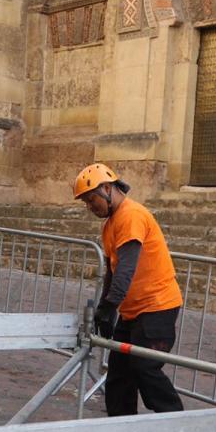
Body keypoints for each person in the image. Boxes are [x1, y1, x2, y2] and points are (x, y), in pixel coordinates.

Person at [74, 163, 184, 417]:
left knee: (144, 367)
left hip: (158, 306)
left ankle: (177, 420)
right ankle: (119, 426)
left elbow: (126, 268)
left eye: (92, 200)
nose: (91, 208)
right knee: (119, 375)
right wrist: (106, 309)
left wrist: (110, 305)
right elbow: (112, 271)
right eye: (86, 204)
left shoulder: (131, 215)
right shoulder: (110, 225)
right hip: (134, 311)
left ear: (107, 188)